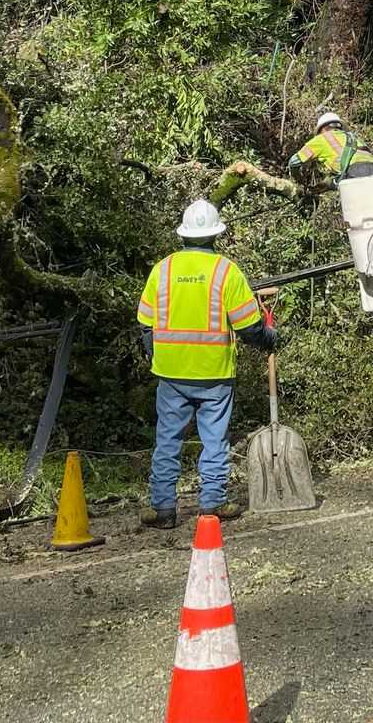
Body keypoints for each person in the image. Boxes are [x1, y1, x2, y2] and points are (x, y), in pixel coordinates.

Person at [136, 198, 281, 529]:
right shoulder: (226, 271)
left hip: (171, 373)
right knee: (214, 440)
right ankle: (212, 503)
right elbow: (248, 326)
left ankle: (163, 509)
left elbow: (145, 322)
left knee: (168, 441)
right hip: (214, 374)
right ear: (217, 235)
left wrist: (153, 353)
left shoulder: (164, 269)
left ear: (183, 235)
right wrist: (269, 339)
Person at [288, 109, 373, 182]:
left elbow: (294, 161)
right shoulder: (353, 138)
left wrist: (296, 178)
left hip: (356, 171)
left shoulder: (321, 139)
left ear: (322, 129)